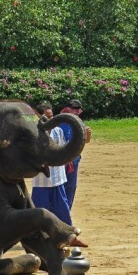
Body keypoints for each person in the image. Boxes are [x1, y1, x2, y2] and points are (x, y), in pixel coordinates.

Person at [31, 103, 87, 248]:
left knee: (63, 210)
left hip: (58, 178)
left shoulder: (58, 131)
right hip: (41, 181)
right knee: (40, 212)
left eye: (51, 116)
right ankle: (40, 240)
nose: (50, 119)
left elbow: (64, 150)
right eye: (47, 117)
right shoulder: (33, 134)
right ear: (39, 116)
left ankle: (69, 236)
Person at [59, 99, 92, 208]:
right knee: (61, 185)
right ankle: (61, 209)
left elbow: (86, 141)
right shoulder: (58, 121)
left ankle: (67, 209)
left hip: (74, 160)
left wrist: (88, 134)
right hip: (60, 160)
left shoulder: (79, 122)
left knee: (71, 186)